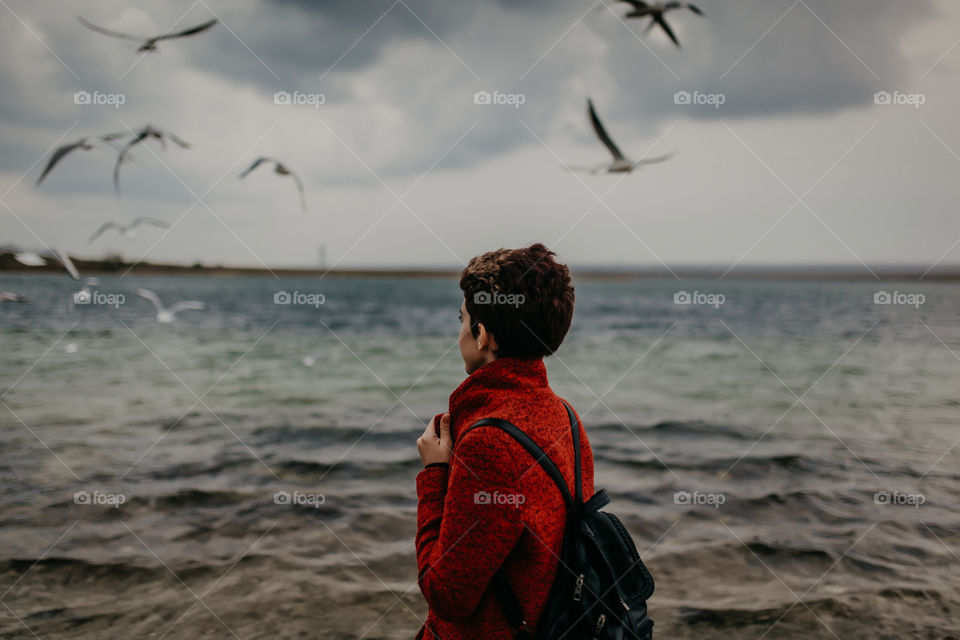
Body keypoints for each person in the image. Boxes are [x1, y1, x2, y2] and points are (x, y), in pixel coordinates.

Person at [414, 243, 594, 639]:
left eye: (462, 321)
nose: (459, 332)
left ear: (482, 335)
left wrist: (435, 475)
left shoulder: (489, 443)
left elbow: (448, 595)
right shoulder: (566, 416)